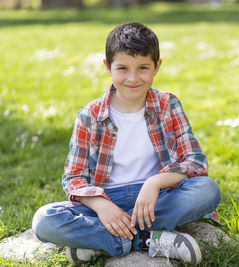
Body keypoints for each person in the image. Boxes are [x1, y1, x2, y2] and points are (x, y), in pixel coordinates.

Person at [32, 22, 221, 265]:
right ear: (108, 67)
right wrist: (101, 206)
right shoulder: (90, 115)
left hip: (157, 198)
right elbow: (73, 178)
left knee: (207, 190)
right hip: (107, 201)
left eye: (143, 67)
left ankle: (103, 240)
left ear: (157, 67)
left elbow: (195, 162)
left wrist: (155, 182)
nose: (133, 78)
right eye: (122, 68)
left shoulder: (168, 105)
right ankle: (145, 239)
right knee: (44, 220)